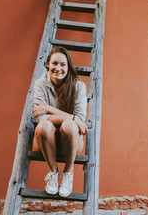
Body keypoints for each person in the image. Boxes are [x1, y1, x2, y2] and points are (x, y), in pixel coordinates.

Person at [31, 46, 88, 197]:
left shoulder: (78, 86)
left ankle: (68, 172)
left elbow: (79, 121)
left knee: (69, 125)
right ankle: (53, 171)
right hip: (45, 142)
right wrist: (73, 117)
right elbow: (40, 117)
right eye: (55, 63)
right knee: (44, 125)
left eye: (63, 64)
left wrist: (49, 109)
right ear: (48, 64)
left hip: (70, 142)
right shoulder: (40, 84)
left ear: (68, 67)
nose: (58, 68)